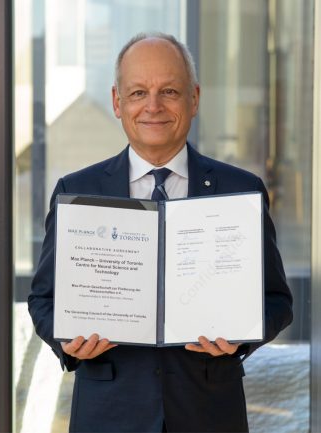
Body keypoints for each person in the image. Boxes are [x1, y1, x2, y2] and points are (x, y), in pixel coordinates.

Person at [28, 32, 293, 432]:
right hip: (108, 413)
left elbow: (277, 302)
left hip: (208, 412)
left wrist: (243, 338)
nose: (153, 106)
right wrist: (66, 342)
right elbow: (43, 300)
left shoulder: (241, 191)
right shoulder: (77, 191)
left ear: (194, 99)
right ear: (118, 102)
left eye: (169, 90)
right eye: (138, 93)